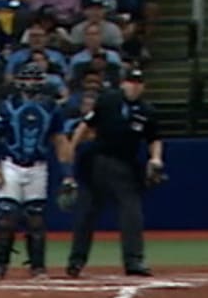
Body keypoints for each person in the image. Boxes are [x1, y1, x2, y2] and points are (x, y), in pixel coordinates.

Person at [62, 63, 160, 277]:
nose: (134, 87)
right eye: (131, 82)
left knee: (132, 213)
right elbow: (86, 125)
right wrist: (72, 147)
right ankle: (76, 261)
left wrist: (155, 159)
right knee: (86, 213)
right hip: (98, 162)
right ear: (123, 84)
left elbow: (154, 139)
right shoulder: (108, 100)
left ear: (144, 87)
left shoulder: (147, 111)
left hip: (126, 166)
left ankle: (133, 261)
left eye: (138, 83)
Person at [0, 64, 58, 279]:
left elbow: (59, 139)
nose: (31, 85)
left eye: (35, 80)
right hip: (11, 163)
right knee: (6, 217)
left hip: (38, 165)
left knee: (35, 218)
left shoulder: (51, 108)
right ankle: (1, 264)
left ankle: (37, 265)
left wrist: (68, 172)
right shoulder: (6, 107)